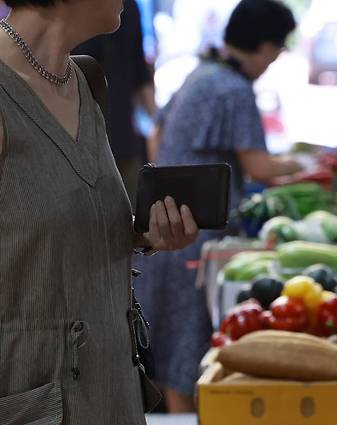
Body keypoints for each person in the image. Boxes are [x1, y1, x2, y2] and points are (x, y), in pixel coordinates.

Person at [0, 0, 199, 424]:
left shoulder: (86, 81)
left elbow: (56, 222)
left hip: (113, 391)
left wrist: (145, 235)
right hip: (32, 400)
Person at [134, 0, 303, 413]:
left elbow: (156, 139)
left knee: (170, 340)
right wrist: (307, 161)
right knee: (186, 348)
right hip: (194, 234)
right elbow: (260, 167)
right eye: (277, 51)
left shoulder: (202, 73)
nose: (275, 60)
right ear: (265, 47)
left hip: (167, 224)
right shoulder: (233, 88)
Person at [74, 0, 157, 206]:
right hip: (79, 137)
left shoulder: (127, 8)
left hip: (122, 134)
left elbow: (140, 72)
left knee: (130, 217)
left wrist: (158, 123)